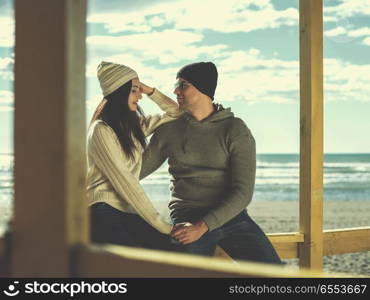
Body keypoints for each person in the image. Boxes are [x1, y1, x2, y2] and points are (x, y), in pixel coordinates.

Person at [140, 62, 282, 264]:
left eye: (182, 85)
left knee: (274, 273)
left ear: (203, 88)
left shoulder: (235, 129)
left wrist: (203, 226)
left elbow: (243, 192)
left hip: (231, 216)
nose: (175, 91)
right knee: (186, 274)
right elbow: (136, 171)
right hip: (186, 215)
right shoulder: (169, 129)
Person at [87, 61, 182, 251]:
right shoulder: (101, 131)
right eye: (134, 91)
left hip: (124, 209)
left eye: (139, 91)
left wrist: (150, 90)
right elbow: (126, 182)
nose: (139, 96)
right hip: (101, 209)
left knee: (172, 250)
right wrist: (162, 225)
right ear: (119, 92)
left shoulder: (132, 127)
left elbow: (177, 113)